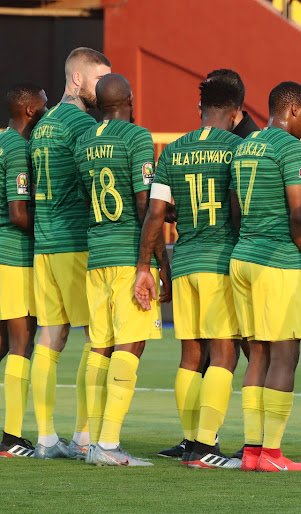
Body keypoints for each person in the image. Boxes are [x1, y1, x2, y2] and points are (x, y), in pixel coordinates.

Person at [135, 75, 245, 469]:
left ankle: (188, 441)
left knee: (190, 355)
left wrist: (146, 266)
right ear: (235, 114)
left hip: (183, 263)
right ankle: (206, 448)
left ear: (201, 111)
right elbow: (237, 209)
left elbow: (155, 214)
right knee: (224, 354)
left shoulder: (173, 151)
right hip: (220, 261)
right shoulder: (238, 148)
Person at [73, 73, 167, 466]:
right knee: (131, 345)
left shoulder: (82, 142)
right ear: (130, 98)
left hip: (97, 255)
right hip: (130, 255)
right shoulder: (137, 137)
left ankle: (91, 440)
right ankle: (108, 444)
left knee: (100, 347)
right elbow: (147, 205)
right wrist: (159, 262)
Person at [229, 81, 301, 473]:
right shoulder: (289, 147)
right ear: (293, 108)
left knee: (257, 354)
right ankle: (273, 454)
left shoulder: (245, 145)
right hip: (276, 259)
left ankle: (250, 451)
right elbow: (298, 214)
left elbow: (234, 208)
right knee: (286, 352)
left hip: (242, 257)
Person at [30, 47, 111, 460]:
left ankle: (45, 438)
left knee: (50, 337)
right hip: (74, 243)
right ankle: (83, 435)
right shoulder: (81, 124)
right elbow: (94, 178)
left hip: (43, 245)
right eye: (99, 80)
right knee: (96, 337)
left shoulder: (42, 125)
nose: (106, 89)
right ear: (77, 80)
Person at [0, 84, 48, 458]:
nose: (47, 113)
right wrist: (47, 225)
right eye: (44, 108)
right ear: (31, 111)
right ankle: (13, 438)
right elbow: (18, 214)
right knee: (21, 343)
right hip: (12, 256)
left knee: (2, 344)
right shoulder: (16, 148)